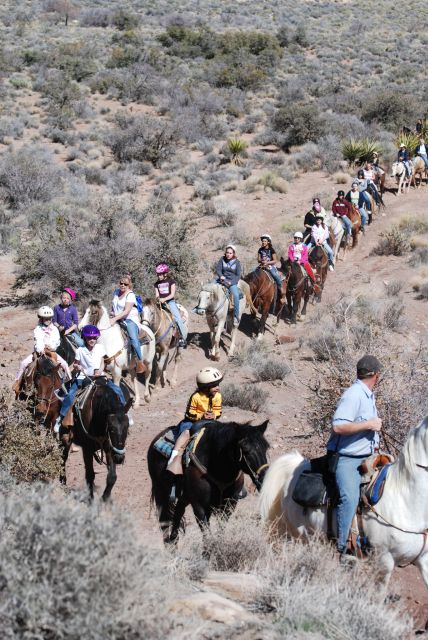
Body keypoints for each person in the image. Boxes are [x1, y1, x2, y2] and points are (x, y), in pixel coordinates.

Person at [326, 355, 382, 561]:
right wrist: (369, 424)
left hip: (367, 456)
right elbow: (339, 426)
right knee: (349, 498)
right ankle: (344, 549)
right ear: (376, 375)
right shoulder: (354, 394)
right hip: (348, 458)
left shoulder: (367, 394)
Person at [167, 367, 223, 500]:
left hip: (209, 422)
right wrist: (202, 415)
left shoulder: (218, 396)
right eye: (214, 385)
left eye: (218, 384)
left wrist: (213, 415)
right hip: (192, 422)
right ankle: (174, 460)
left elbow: (218, 411)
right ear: (205, 387)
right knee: (185, 436)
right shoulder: (196, 397)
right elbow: (189, 413)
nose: (218, 388)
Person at [53, 325, 106, 432]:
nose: (92, 340)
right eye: (89, 338)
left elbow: (102, 362)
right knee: (70, 395)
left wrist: (100, 370)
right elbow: (76, 364)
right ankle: (61, 418)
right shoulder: (80, 350)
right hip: (83, 377)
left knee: (116, 389)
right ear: (84, 338)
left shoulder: (100, 347)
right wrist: (78, 367)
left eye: (94, 338)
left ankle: (124, 412)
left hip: (99, 376)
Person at [13, 306, 71, 393]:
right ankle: (18, 382)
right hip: (39, 352)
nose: (48, 320)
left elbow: (56, 341)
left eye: (49, 318)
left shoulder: (54, 329)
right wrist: (41, 349)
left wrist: (51, 347)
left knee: (65, 365)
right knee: (23, 363)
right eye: (45, 318)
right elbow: (38, 340)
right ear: (41, 318)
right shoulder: (38, 329)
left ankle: (67, 385)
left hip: (51, 352)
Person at [110, 275, 145, 373]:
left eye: (125, 284)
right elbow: (114, 305)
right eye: (121, 283)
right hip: (117, 318)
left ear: (129, 285)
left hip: (129, 319)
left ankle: (140, 361)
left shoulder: (130, 295)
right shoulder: (116, 292)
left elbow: (126, 311)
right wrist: (111, 313)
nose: (122, 285)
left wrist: (115, 318)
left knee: (133, 339)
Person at [154, 263, 187, 347]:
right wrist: (158, 299)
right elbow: (157, 294)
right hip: (160, 303)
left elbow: (172, 294)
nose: (159, 276)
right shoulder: (156, 284)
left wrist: (164, 299)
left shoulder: (171, 282)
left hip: (170, 302)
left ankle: (182, 338)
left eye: (160, 274)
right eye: (158, 274)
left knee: (178, 319)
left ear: (165, 274)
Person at [215, 245, 242, 328]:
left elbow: (238, 275)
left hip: (231, 282)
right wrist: (220, 276)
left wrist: (232, 282)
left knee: (236, 296)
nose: (228, 254)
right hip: (221, 280)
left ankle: (236, 317)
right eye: (227, 252)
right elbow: (218, 269)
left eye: (230, 253)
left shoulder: (237, 262)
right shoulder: (222, 259)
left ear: (233, 253)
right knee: (210, 288)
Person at [257, 234, 285, 303]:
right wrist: (262, 261)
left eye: (265, 241)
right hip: (262, 265)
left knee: (275, 275)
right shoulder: (260, 250)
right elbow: (258, 259)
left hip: (270, 266)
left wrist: (268, 262)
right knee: (253, 272)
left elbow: (275, 260)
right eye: (262, 241)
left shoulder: (271, 250)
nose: (263, 242)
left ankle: (280, 288)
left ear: (268, 242)